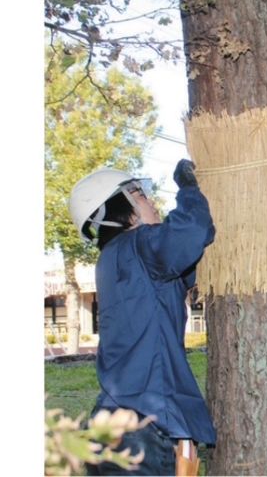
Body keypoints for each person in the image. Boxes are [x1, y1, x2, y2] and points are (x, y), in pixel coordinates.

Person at [69, 159, 216, 475]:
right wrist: (189, 188)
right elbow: (191, 231)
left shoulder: (112, 260)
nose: (152, 202)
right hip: (144, 424)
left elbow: (179, 269)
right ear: (121, 211)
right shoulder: (141, 245)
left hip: (109, 423)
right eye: (140, 195)